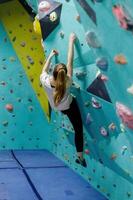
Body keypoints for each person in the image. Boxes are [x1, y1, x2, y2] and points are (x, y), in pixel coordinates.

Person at [40, 33, 87, 167]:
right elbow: (69, 61)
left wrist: (50, 55)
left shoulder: (44, 81)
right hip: (69, 106)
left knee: (66, 109)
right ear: (64, 75)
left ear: (53, 73)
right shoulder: (68, 81)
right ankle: (80, 157)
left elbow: (44, 69)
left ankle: (80, 156)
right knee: (78, 129)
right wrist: (71, 41)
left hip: (58, 107)